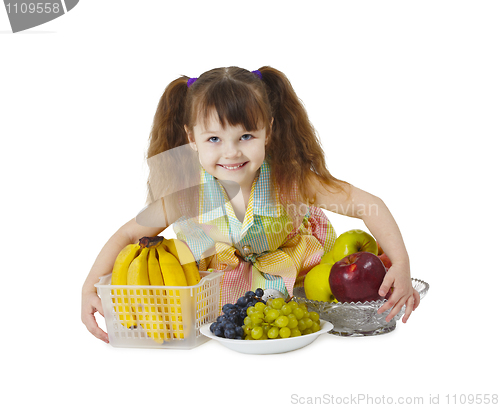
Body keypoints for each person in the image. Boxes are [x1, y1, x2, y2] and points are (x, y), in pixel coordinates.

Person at [81, 66, 420, 343]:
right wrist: (90, 285)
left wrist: (400, 263)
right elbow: (128, 236)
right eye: (214, 139)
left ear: (268, 131)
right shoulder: (186, 193)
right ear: (191, 139)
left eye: (246, 136)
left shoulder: (292, 179)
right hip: (222, 291)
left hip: (294, 280)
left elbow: (366, 204)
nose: (231, 152)